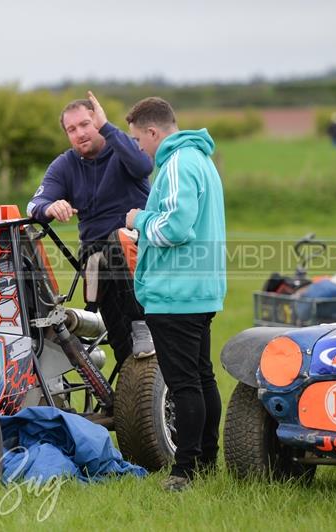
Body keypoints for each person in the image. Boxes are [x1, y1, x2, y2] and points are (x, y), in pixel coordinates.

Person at [124, 97, 227, 492]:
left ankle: (184, 471)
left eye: (137, 139)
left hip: (176, 292)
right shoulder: (200, 160)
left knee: (184, 383)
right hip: (200, 289)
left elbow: (175, 228)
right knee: (201, 378)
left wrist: (139, 220)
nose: (138, 148)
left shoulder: (179, 163)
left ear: (153, 132)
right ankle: (206, 462)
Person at [26, 91, 156, 367]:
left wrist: (109, 128)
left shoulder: (122, 147)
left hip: (142, 248)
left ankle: (141, 323)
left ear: (98, 122)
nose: (79, 133)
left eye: (86, 124)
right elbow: (34, 204)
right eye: (71, 129)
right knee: (125, 351)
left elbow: (144, 165)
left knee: (116, 242)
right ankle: (130, 391)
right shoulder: (65, 165)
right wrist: (50, 208)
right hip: (97, 259)